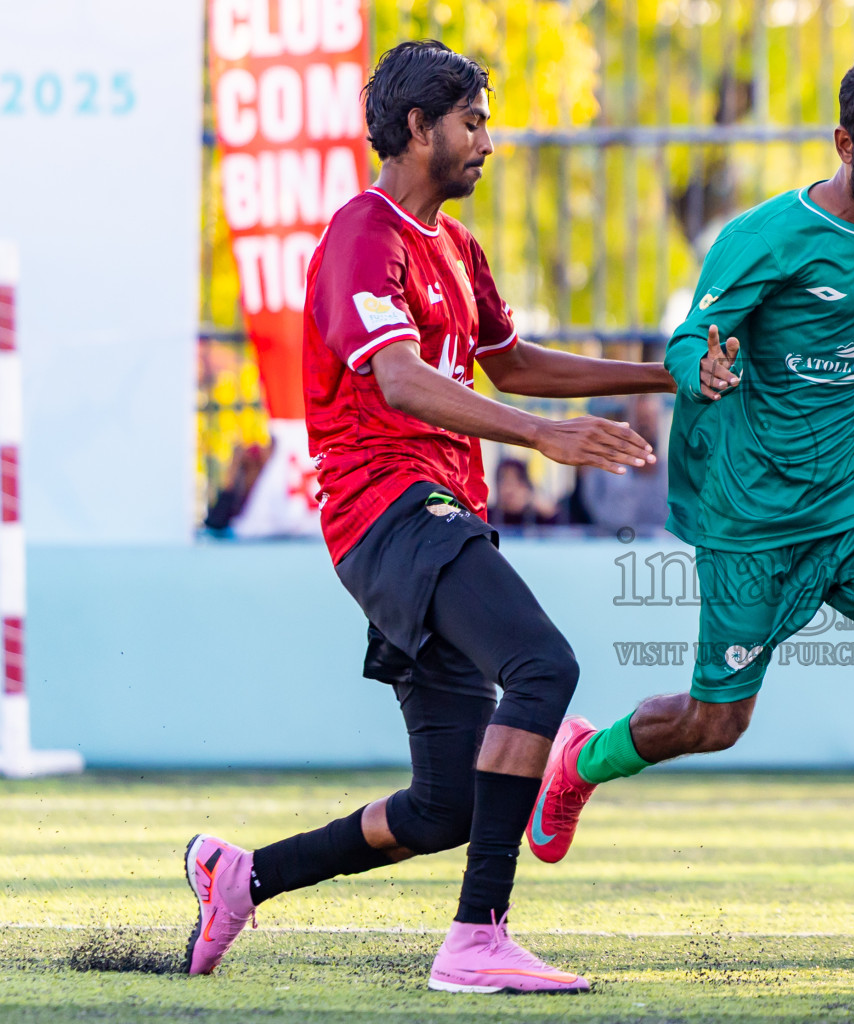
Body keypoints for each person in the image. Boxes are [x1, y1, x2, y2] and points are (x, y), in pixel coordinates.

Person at [521, 47, 854, 981]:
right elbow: (690, 336)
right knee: (714, 723)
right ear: (845, 142)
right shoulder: (764, 237)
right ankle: (580, 761)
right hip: (753, 514)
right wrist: (706, 367)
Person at [181, 40, 675, 994]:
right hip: (388, 509)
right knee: (544, 666)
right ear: (419, 126)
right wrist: (543, 437)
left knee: (444, 804)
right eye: (474, 121)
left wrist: (665, 373)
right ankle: (479, 936)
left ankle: (242, 876)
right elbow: (399, 379)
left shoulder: (455, 247)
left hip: (438, 518)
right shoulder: (361, 235)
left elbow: (516, 361)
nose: (488, 139)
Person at [573, 393, 671, 533]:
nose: (646, 426)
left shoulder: (669, 470)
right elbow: (595, 507)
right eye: (641, 419)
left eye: (650, 419)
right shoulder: (605, 466)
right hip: (614, 541)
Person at [489, 457, 562, 527]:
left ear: (527, 487)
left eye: (516, 482)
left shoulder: (539, 517)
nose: (509, 489)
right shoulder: (487, 517)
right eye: (504, 481)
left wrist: (548, 513)